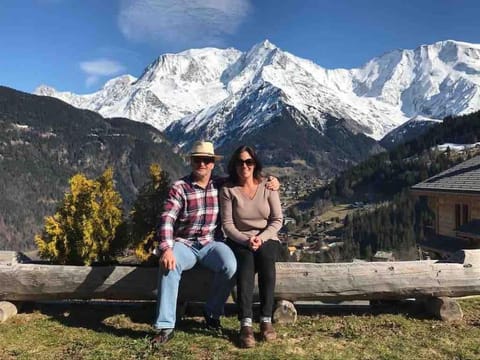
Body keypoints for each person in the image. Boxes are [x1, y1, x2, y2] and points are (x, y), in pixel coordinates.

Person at [152, 141, 278, 345]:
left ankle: (212, 313)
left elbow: (248, 179)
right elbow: (167, 219)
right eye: (198, 160)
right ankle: (165, 326)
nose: (202, 164)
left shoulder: (221, 184)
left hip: (212, 243)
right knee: (169, 266)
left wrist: (273, 181)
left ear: (213, 164)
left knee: (230, 265)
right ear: (191, 162)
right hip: (185, 243)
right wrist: (166, 248)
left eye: (207, 160)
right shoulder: (180, 188)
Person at [220, 145, 283, 348]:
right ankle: (245, 323)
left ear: (255, 164)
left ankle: (265, 319)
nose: (244, 166)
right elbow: (228, 225)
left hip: (267, 238)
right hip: (240, 239)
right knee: (245, 264)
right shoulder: (228, 190)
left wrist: (261, 238)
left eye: (249, 161)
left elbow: (277, 219)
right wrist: (246, 240)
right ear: (234, 165)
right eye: (240, 162)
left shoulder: (268, 186)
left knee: (266, 261)